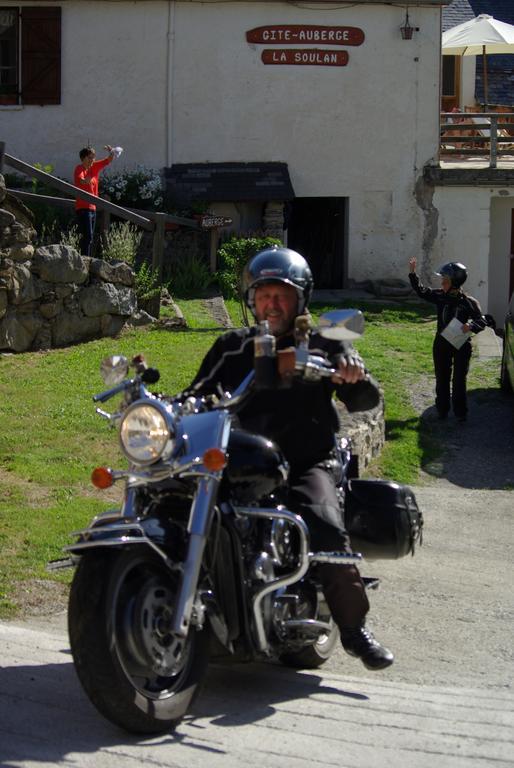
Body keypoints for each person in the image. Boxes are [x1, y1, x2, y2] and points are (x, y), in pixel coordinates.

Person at [186, 246, 394, 670]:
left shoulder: (323, 343)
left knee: (324, 528)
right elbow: (196, 393)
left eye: (281, 295)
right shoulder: (231, 346)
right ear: (251, 300)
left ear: (300, 299)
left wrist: (354, 377)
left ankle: (354, 631)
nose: (272, 304)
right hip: (242, 460)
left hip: (306, 459)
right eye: (263, 295)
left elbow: (363, 397)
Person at [409, 257, 486, 422]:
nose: (441, 284)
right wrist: (413, 273)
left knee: (458, 380)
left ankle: (460, 413)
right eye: (442, 281)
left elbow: (483, 320)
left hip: (461, 345)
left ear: (455, 283)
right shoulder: (439, 296)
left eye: (445, 281)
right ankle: (442, 410)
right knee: (441, 378)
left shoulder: (468, 303)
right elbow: (422, 291)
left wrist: (470, 327)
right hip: (441, 344)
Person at [73, 145, 115, 257]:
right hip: (82, 207)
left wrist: (112, 152)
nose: (92, 160)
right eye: (90, 157)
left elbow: (108, 160)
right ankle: (84, 260)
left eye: (93, 157)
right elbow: (81, 180)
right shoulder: (79, 168)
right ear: (83, 158)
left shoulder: (94, 167)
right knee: (87, 236)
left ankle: (86, 259)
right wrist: (85, 181)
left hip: (92, 208)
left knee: (89, 237)